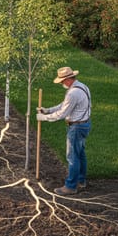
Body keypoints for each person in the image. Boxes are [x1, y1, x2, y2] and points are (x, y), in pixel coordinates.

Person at [37, 66, 91, 195]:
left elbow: (62, 113)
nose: (61, 84)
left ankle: (71, 186)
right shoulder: (82, 86)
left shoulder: (73, 93)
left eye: (62, 82)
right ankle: (81, 181)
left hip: (76, 127)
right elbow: (64, 105)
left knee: (72, 157)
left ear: (67, 80)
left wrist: (44, 117)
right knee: (80, 154)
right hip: (85, 124)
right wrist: (48, 110)